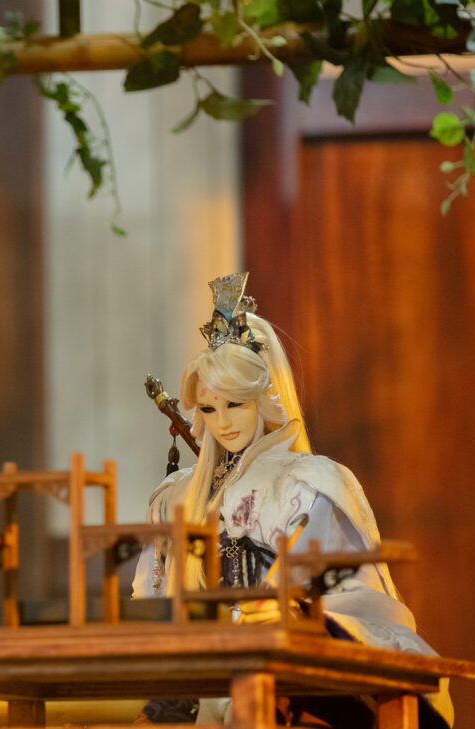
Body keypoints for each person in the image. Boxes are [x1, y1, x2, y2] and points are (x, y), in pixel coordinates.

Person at [130, 273, 453, 727]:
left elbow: (349, 596)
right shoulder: (177, 495)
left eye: (236, 405)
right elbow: (153, 596)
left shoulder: (308, 484)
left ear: (265, 399)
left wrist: (281, 613)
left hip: (283, 669)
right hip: (197, 664)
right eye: (209, 409)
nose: (222, 423)